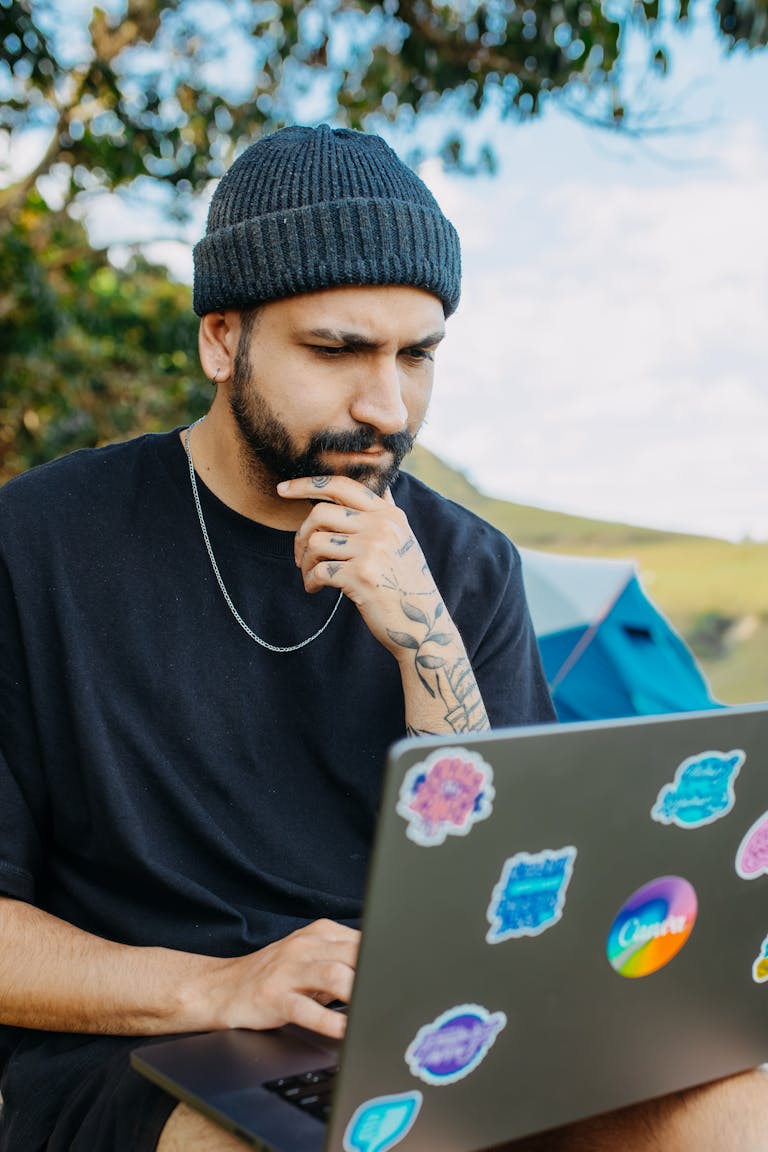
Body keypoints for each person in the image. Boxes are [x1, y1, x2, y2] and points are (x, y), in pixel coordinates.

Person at [0, 124, 766, 1152]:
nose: (388, 404)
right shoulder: (38, 544)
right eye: (336, 350)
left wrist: (428, 647)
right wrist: (222, 986)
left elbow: (510, 905)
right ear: (221, 339)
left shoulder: (468, 564)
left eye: (417, 355)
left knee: (734, 1111)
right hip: (158, 1043)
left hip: (433, 1033)